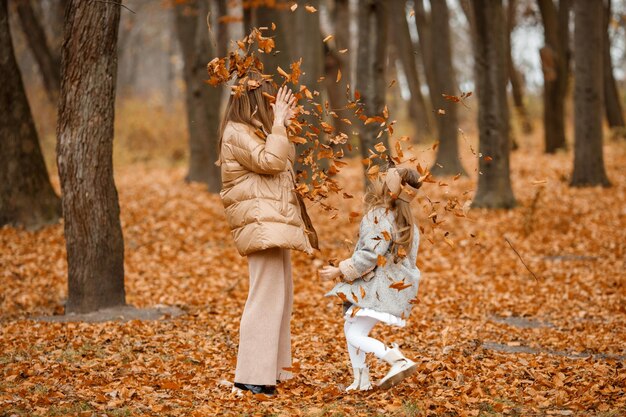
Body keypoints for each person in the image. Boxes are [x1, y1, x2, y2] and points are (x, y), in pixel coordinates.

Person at [218, 71, 318, 396]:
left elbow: (285, 161)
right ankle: (251, 376)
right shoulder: (236, 133)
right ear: (254, 100)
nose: (273, 105)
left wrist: (281, 125)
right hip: (260, 223)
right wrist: (278, 124)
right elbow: (273, 162)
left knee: (281, 296)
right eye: (269, 100)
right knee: (265, 296)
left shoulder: (255, 131)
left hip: (272, 221)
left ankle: (272, 371)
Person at [319, 167, 422, 391]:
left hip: (378, 287)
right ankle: (361, 379)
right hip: (394, 287)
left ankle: (397, 360)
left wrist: (340, 270)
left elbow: (370, 255)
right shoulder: (408, 222)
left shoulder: (380, 215)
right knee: (351, 328)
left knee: (355, 333)